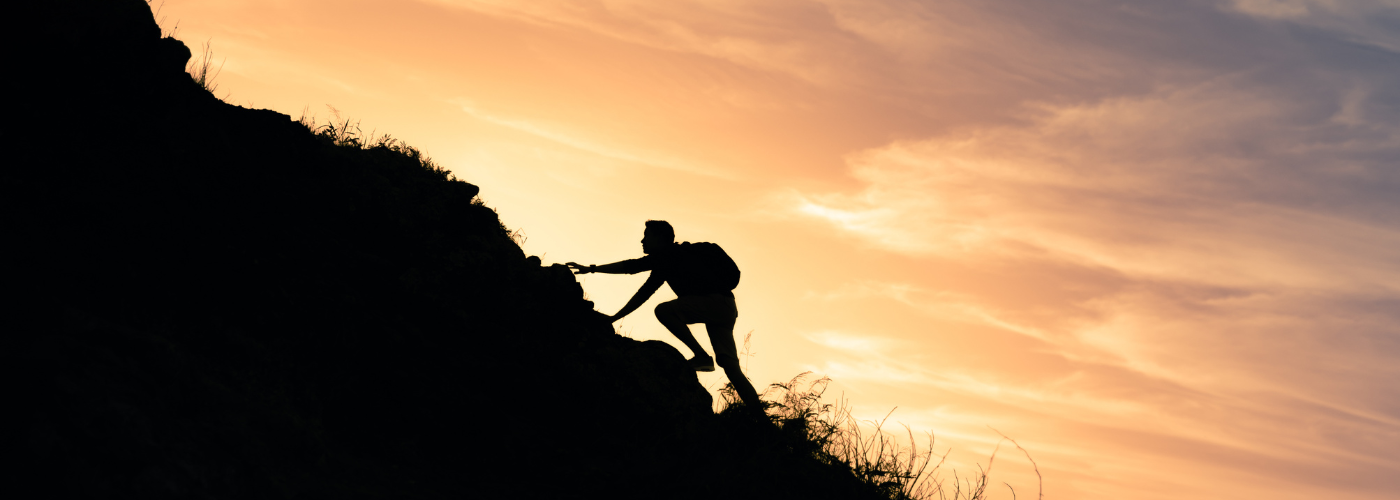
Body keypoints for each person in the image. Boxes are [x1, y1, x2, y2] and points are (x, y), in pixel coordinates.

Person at [567, 220, 762, 409]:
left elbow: (631, 268)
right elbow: (641, 288)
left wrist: (592, 270)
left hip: (713, 303)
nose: (642, 241)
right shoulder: (669, 260)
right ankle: (761, 420)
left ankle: (702, 356)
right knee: (730, 365)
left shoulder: (668, 256)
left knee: (664, 311)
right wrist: (614, 316)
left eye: (646, 236)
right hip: (727, 306)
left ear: (660, 238)